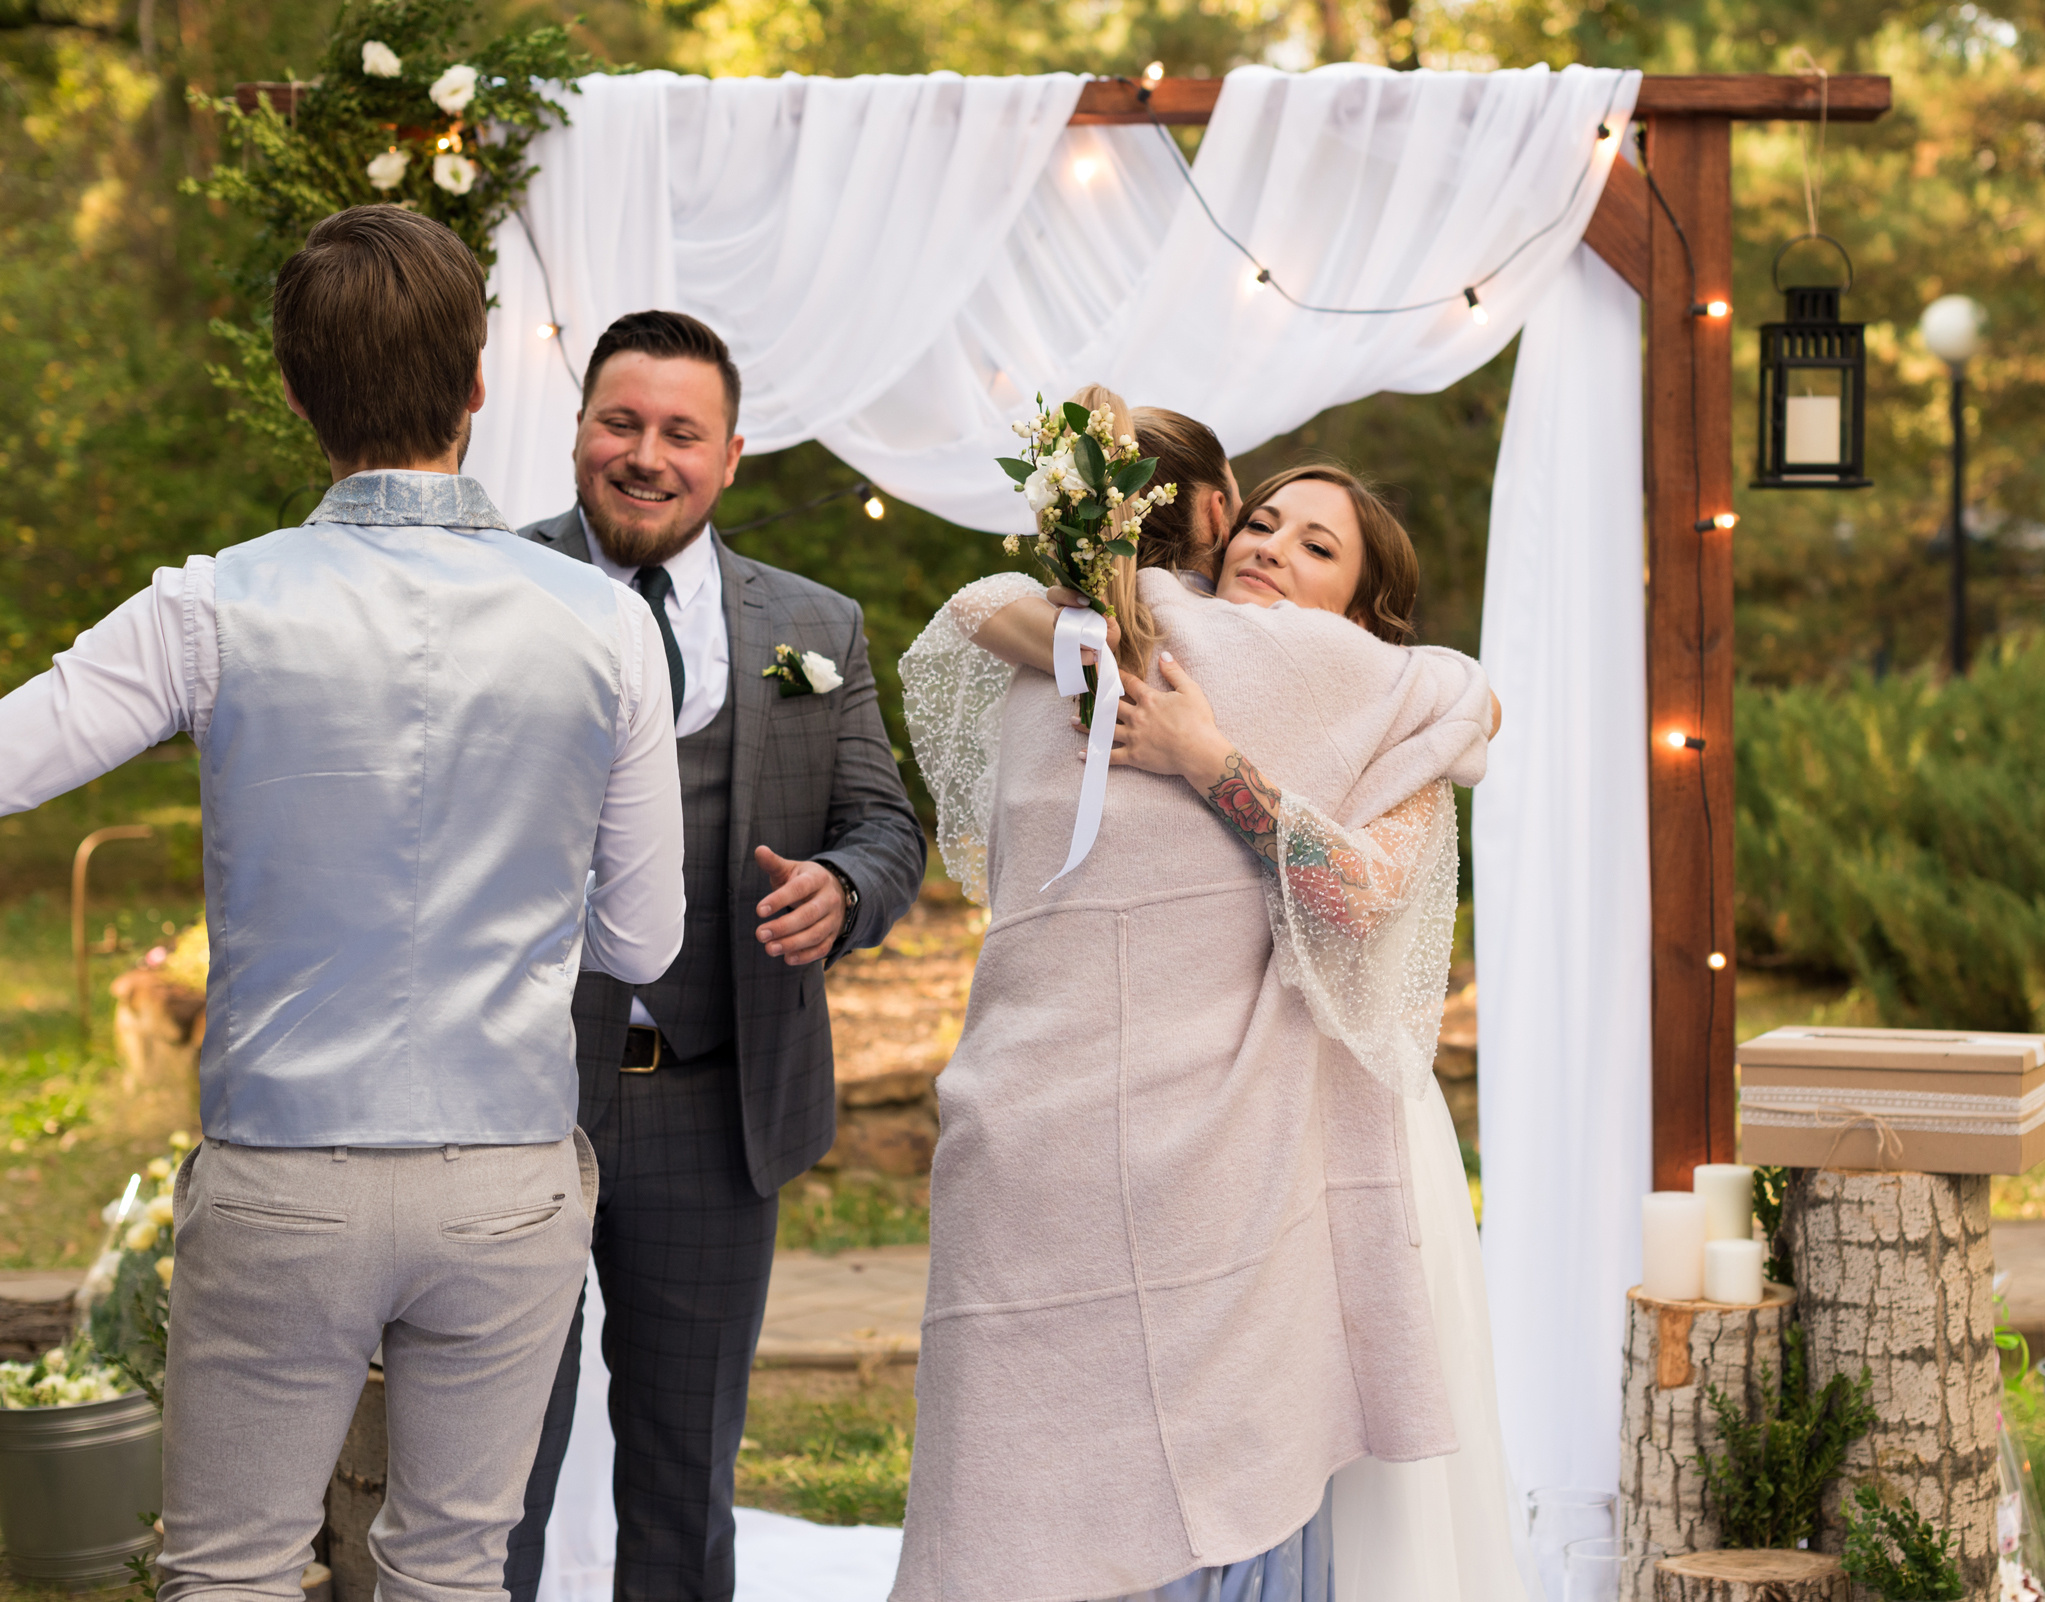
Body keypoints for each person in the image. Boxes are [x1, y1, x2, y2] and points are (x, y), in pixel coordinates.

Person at [0, 205, 686, 1602]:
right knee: (450, 1571)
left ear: (297, 391)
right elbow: (644, 940)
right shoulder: (608, 621)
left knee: (234, 1569)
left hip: (284, 1173)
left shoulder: (213, 606)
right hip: (504, 1174)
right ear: (482, 385)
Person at [893, 388, 1497, 1602]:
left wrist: (1212, 761)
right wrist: (1100, 633)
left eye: (1317, 546)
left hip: (1298, 1122)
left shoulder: (1371, 697)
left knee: (1251, 1433)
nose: (1273, 547)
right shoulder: (1111, 638)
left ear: (1365, 607)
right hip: (1068, 1107)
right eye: (1263, 525)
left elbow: (1367, 892)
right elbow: (978, 610)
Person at [504, 309, 926, 1602]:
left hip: (712, 1097)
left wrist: (844, 890)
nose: (646, 454)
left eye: (679, 432)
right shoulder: (490, 588)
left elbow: (885, 821)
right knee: (486, 1473)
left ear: (730, 453)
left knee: (685, 1480)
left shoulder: (814, 623)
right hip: (506, 1095)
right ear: (578, 429)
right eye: (620, 423)